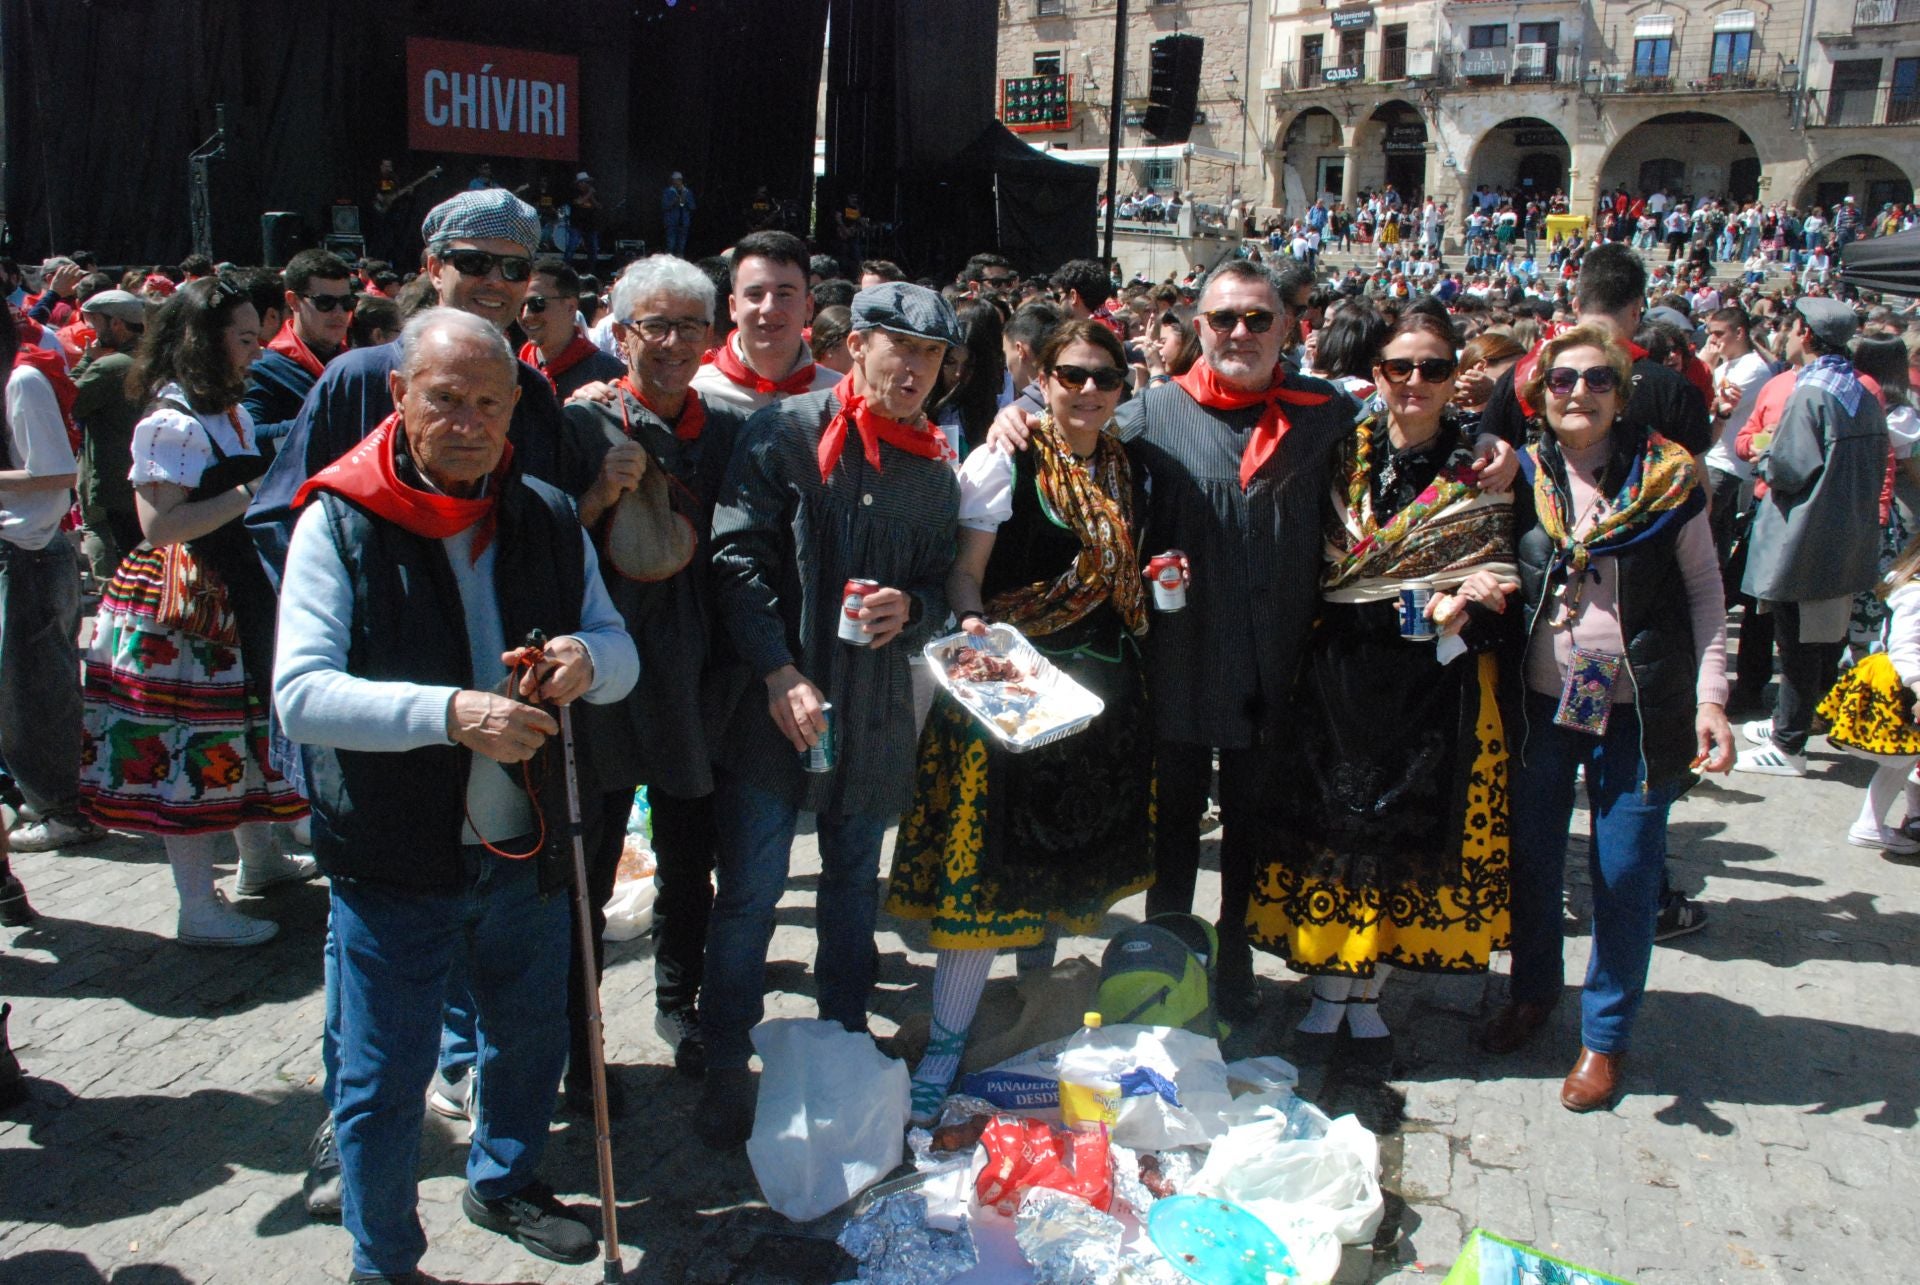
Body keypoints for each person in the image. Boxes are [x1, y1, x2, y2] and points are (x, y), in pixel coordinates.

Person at [274, 307, 638, 1281]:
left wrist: (583, 660)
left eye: (489, 402)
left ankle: (505, 1180)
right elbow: (301, 696)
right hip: (396, 857)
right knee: (382, 1078)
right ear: (400, 396)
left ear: (516, 408)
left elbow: (620, 650)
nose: (468, 422)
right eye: (445, 400)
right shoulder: (339, 519)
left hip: (522, 843)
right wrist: (451, 714)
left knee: (530, 1041)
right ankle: (383, 1259)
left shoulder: (546, 515)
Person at [989, 260, 1365, 1018]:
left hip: (1281, 660)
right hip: (1183, 659)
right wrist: (1018, 414)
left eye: (1259, 319)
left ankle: (1234, 958)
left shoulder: (1325, 411)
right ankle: (1165, 957)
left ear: (1288, 328)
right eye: (1224, 318)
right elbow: (1078, 426)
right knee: (1175, 828)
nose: (1240, 333)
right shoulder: (1155, 411)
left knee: (1256, 824)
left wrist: (1488, 454)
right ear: (1198, 328)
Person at [702, 283, 962, 1148]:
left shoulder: (932, 465)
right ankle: (724, 1059)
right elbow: (735, 556)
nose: (915, 368)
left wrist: (912, 612)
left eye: (931, 355)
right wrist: (776, 669)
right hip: (776, 705)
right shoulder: (783, 431)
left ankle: (844, 1043)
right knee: (749, 892)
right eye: (899, 347)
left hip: (875, 705)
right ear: (857, 346)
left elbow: (938, 586)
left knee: (855, 885)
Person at [888, 320, 1154, 1120]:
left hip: (1097, 693)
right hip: (1010, 687)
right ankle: (945, 1041)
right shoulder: (1001, 458)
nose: (1088, 392)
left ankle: (1034, 1014)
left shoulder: (1122, 462)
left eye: (1106, 379)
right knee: (983, 883)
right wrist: (977, 631)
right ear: (1042, 376)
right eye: (1071, 375)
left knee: (1058, 874)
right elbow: (966, 576)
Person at [1249, 313, 1518, 1058]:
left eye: (1433, 367)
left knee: (1407, 832)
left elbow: (1502, 557)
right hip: (1340, 667)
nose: (1416, 382)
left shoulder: (1479, 463)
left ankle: (1370, 994)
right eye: (1401, 367)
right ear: (1377, 372)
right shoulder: (1340, 445)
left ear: (1454, 372)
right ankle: (1328, 987)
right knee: (1335, 827)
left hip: (1436, 673)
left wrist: (1473, 596)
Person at [1482, 325, 1735, 1112]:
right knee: (1532, 856)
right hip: (1540, 702)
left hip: (1638, 705)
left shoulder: (1669, 479)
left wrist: (1714, 697)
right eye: (1561, 380)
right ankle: (1533, 992)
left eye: (1597, 380)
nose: (1578, 394)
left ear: (1621, 394)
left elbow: (1705, 594)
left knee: (1625, 872)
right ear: (1540, 395)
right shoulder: (1522, 473)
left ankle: (1605, 1037)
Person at [75, 277, 313, 936]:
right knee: (187, 745)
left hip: (231, 595)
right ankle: (196, 906)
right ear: (204, 342)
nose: (255, 348)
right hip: (180, 611)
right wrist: (251, 490)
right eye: (242, 338)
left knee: (235, 731)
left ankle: (258, 860)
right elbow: (159, 525)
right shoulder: (169, 421)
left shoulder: (225, 411)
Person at [558, 256, 746, 1086]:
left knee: (687, 852)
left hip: (697, 672)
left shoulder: (731, 431)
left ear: (713, 336)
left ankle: (683, 1005)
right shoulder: (579, 425)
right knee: (590, 861)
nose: (672, 344)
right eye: (654, 326)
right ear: (620, 328)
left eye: (690, 327)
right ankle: (578, 1037)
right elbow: (538, 545)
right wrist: (596, 497)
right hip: (605, 672)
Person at [247, 188, 570, 584]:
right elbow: (280, 515)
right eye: (474, 263)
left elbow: (546, 520)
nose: (494, 281)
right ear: (435, 269)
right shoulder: (358, 379)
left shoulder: (533, 392)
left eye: (514, 269)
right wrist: (345, 613)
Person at [1735, 299, 1888, 777]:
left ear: (1803, 331)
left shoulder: (1812, 391)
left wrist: (1766, 456)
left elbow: (1789, 467)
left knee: (1797, 639)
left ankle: (1789, 743)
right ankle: (1792, 718)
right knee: (1821, 636)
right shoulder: (1859, 389)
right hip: (1846, 532)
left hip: (1806, 534)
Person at [0, 304, 100, 856]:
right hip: (22, 554)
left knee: (32, 694)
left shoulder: (23, 379)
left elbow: (60, 471)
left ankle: (64, 811)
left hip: (31, 553)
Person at [1818, 533, 1920, 855]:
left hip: (1902, 683)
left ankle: (1912, 816)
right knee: (1901, 759)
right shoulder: (1915, 594)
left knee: (1908, 757)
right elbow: (1905, 649)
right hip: (1900, 687)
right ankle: (1869, 826)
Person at [689, 231, 840, 415]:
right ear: (733, 307)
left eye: (784, 294)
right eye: (755, 295)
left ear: (808, 306)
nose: (769, 308)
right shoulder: (696, 394)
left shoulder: (838, 395)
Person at [68, 289, 150, 585]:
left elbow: (69, 400)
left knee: (97, 529)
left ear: (116, 324)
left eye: (97, 323)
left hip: (110, 479)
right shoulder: (154, 359)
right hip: (146, 478)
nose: (93, 330)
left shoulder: (108, 366)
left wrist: (86, 360)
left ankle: (108, 597)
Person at [243, 249, 356, 455]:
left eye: (347, 302)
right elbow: (250, 436)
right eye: (325, 302)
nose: (339, 313)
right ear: (293, 301)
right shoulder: (264, 369)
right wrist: (324, 422)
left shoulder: (356, 361)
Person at [516, 258, 623, 400]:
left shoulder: (608, 372)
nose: (526, 315)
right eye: (519, 304)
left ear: (571, 307)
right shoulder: (511, 370)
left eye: (537, 303)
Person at [567, 172, 601, 268]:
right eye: (585, 182)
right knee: (571, 248)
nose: (587, 184)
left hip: (590, 225)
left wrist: (592, 196)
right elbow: (579, 202)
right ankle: (565, 269)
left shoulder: (593, 194)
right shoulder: (574, 193)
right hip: (577, 225)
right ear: (580, 183)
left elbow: (598, 206)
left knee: (593, 250)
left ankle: (591, 271)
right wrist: (589, 193)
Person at [661, 172, 696, 257]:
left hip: (683, 223)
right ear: (672, 181)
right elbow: (664, 206)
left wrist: (686, 201)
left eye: (679, 180)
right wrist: (674, 201)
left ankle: (680, 261)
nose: (677, 182)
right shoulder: (668, 192)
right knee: (671, 244)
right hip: (671, 223)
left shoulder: (687, 192)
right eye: (675, 180)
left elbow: (693, 207)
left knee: (681, 246)